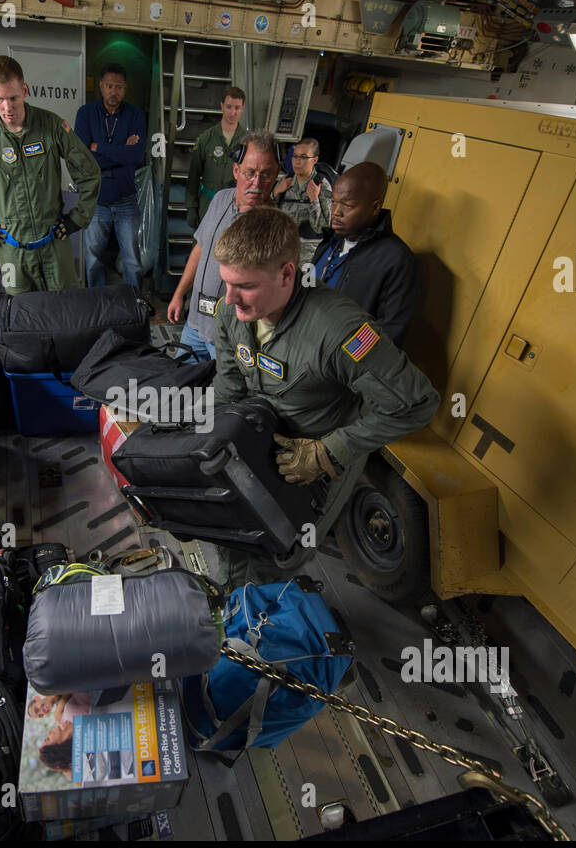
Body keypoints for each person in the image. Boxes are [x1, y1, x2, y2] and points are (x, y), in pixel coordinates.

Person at [210, 206, 439, 584]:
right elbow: (229, 386)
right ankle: (232, 608)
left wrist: (330, 450)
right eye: (227, 283)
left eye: (245, 286)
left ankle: (261, 624)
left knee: (278, 554)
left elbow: (416, 404)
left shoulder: (339, 331)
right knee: (228, 531)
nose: (231, 298)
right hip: (255, 441)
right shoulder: (230, 313)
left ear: (287, 274)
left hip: (314, 462)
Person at [0, 55, 101, 301]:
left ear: (24, 90)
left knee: (68, 306)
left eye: (13, 98)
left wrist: (78, 218)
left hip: (54, 241)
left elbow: (89, 172)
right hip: (12, 248)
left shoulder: (51, 126)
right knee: (22, 311)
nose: (7, 107)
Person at [166, 131, 279, 362]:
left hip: (228, 339)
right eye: (250, 172)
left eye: (266, 174)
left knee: (219, 397)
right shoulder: (220, 199)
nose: (257, 183)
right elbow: (200, 249)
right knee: (179, 385)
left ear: (276, 176)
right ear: (236, 171)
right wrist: (179, 294)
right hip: (195, 324)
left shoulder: (273, 225)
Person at [311, 161, 418, 346]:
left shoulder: (395, 259)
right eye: (334, 202)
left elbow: (390, 332)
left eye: (347, 205)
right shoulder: (329, 242)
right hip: (304, 349)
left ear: (375, 208)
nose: (336, 212)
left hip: (339, 365)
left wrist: (343, 360)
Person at [74, 63, 147, 289]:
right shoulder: (86, 114)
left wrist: (100, 148)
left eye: (119, 87)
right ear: (101, 87)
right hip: (96, 200)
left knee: (132, 259)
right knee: (93, 257)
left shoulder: (135, 115)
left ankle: (134, 301)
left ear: (125, 89)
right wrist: (120, 149)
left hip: (126, 199)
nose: (113, 92)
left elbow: (135, 155)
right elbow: (83, 158)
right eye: (109, 86)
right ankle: (97, 299)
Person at [185, 86, 246, 230]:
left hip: (235, 205)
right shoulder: (206, 138)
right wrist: (191, 207)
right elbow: (193, 175)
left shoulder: (248, 141)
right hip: (208, 203)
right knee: (201, 248)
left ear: (242, 108)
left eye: (237, 108)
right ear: (222, 106)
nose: (233, 112)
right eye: (229, 107)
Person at [273, 138, 331, 266]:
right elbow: (268, 216)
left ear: (315, 160)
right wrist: (275, 193)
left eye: (304, 157)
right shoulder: (285, 182)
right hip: (282, 250)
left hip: (308, 256)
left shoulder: (321, 186)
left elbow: (323, 227)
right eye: (295, 156)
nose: (298, 161)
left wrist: (314, 199)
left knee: (305, 285)